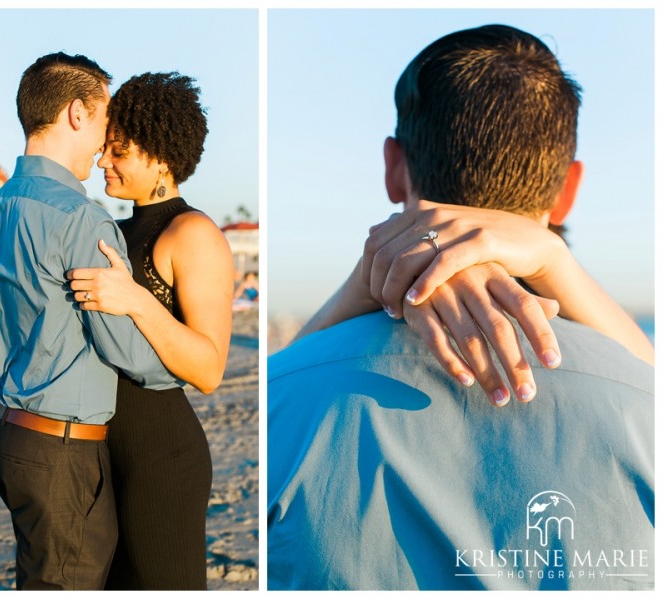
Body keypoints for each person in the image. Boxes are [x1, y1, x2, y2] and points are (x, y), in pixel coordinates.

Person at [267, 25, 653, 590]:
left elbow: (281, 394)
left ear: (393, 166)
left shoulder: (285, 395)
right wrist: (555, 260)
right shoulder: (644, 405)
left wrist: (366, 280)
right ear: (568, 189)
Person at [0, 53, 179, 590]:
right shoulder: (82, 218)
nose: (106, 138)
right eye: (105, 117)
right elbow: (128, 352)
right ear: (76, 112)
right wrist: (188, 362)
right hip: (58, 446)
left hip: (5, 431)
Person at [65, 72, 234, 589]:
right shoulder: (113, 230)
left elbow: (209, 370)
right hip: (99, 454)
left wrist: (136, 300)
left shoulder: (193, 232)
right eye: (105, 148)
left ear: (160, 157)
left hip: (162, 459)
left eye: (118, 151)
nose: (103, 161)